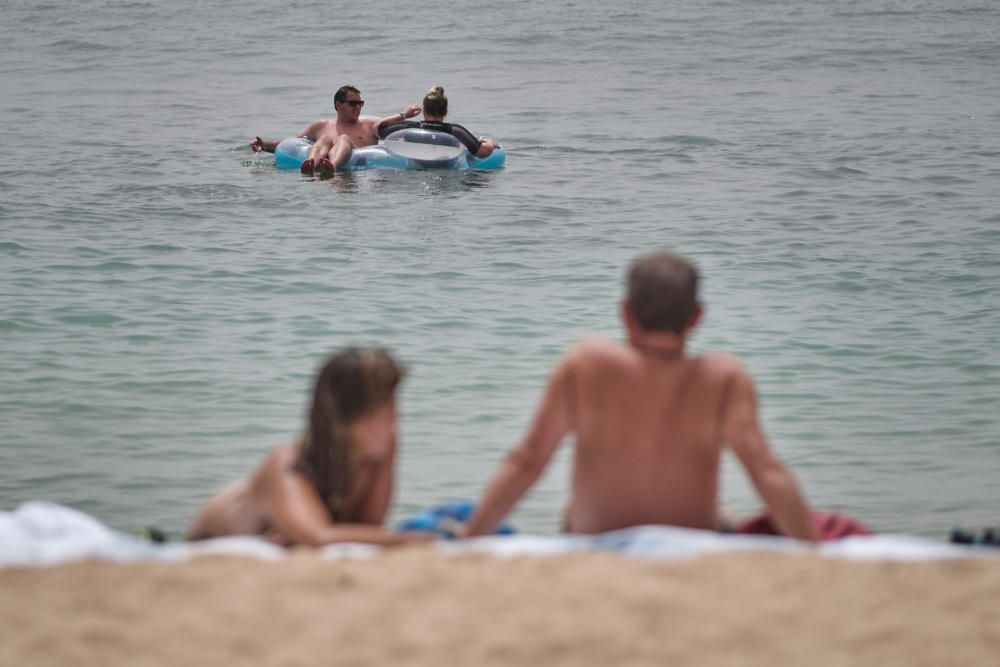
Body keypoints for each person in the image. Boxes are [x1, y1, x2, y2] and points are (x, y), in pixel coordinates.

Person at [462, 252, 819, 541]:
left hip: (596, 538)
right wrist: (814, 552)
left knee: (570, 512)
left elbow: (527, 461)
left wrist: (469, 540)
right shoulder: (724, 376)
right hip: (691, 540)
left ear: (625, 314)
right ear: (696, 317)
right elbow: (764, 468)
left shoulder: (586, 362)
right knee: (730, 518)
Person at [187, 348, 433, 547]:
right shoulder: (287, 464)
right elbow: (320, 538)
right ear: (351, 421)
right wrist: (407, 540)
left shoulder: (374, 454)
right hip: (207, 539)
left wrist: (384, 460)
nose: (395, 419)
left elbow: (368, 529)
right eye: (387, 409)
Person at [250, 85, 421, 175]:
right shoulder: (321, 125)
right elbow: (292, 143)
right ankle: (311, 164)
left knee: (344, 139)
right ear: (339, 105)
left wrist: (404, 115)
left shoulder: (368, 125)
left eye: (360, 103)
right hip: (324, 173)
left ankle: (333, 165)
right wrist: (263, 145)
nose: (358, 107)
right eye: (353, 103)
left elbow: (384, 124)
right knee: (324, 140)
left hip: (353, 175)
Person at [377, 86, 499, 158]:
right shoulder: (455, 131)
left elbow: (378, 127)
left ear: (424, 110)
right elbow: (483, 152)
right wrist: (491, 142)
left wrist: (404, 115)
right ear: (445, 111)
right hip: (446, 170)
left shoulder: (410, 127)